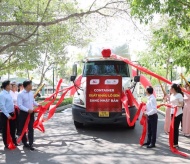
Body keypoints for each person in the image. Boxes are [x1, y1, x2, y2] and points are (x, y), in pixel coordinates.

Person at [17, 80, 39, 151]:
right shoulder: (20, 94)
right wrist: (27, 110)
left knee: (30, 128)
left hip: (31, 113)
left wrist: (38, 104)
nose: (32, 86)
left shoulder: (31, 93)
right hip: (24, 114)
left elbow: (33, 101)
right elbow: (19, 105)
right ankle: (24, 142)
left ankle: (31, 143)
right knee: (23, 128)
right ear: (27, 86)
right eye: (31, 85)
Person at [0, 80, 17, 148]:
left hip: (12, 113)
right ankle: (6, 143)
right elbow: (2, 106)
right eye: (10, 84)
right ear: (7, 86)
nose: (11, 85)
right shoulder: (2, 94)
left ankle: (13, 141)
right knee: (5, 130)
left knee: (13, 128)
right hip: (5, 115)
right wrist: (7, 115)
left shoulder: (9, 93)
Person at [169, 83, 184, 148]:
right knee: (172, 128)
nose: (169, 89)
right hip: (172, 113)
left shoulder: (179, 95)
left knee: (175, 128)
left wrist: (176, 106)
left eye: (170, 88)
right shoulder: (171, 95)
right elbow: (170, 103)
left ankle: (176, 143)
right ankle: (172, 141)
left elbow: (182, 105)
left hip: (178, 113)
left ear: (173, 89)